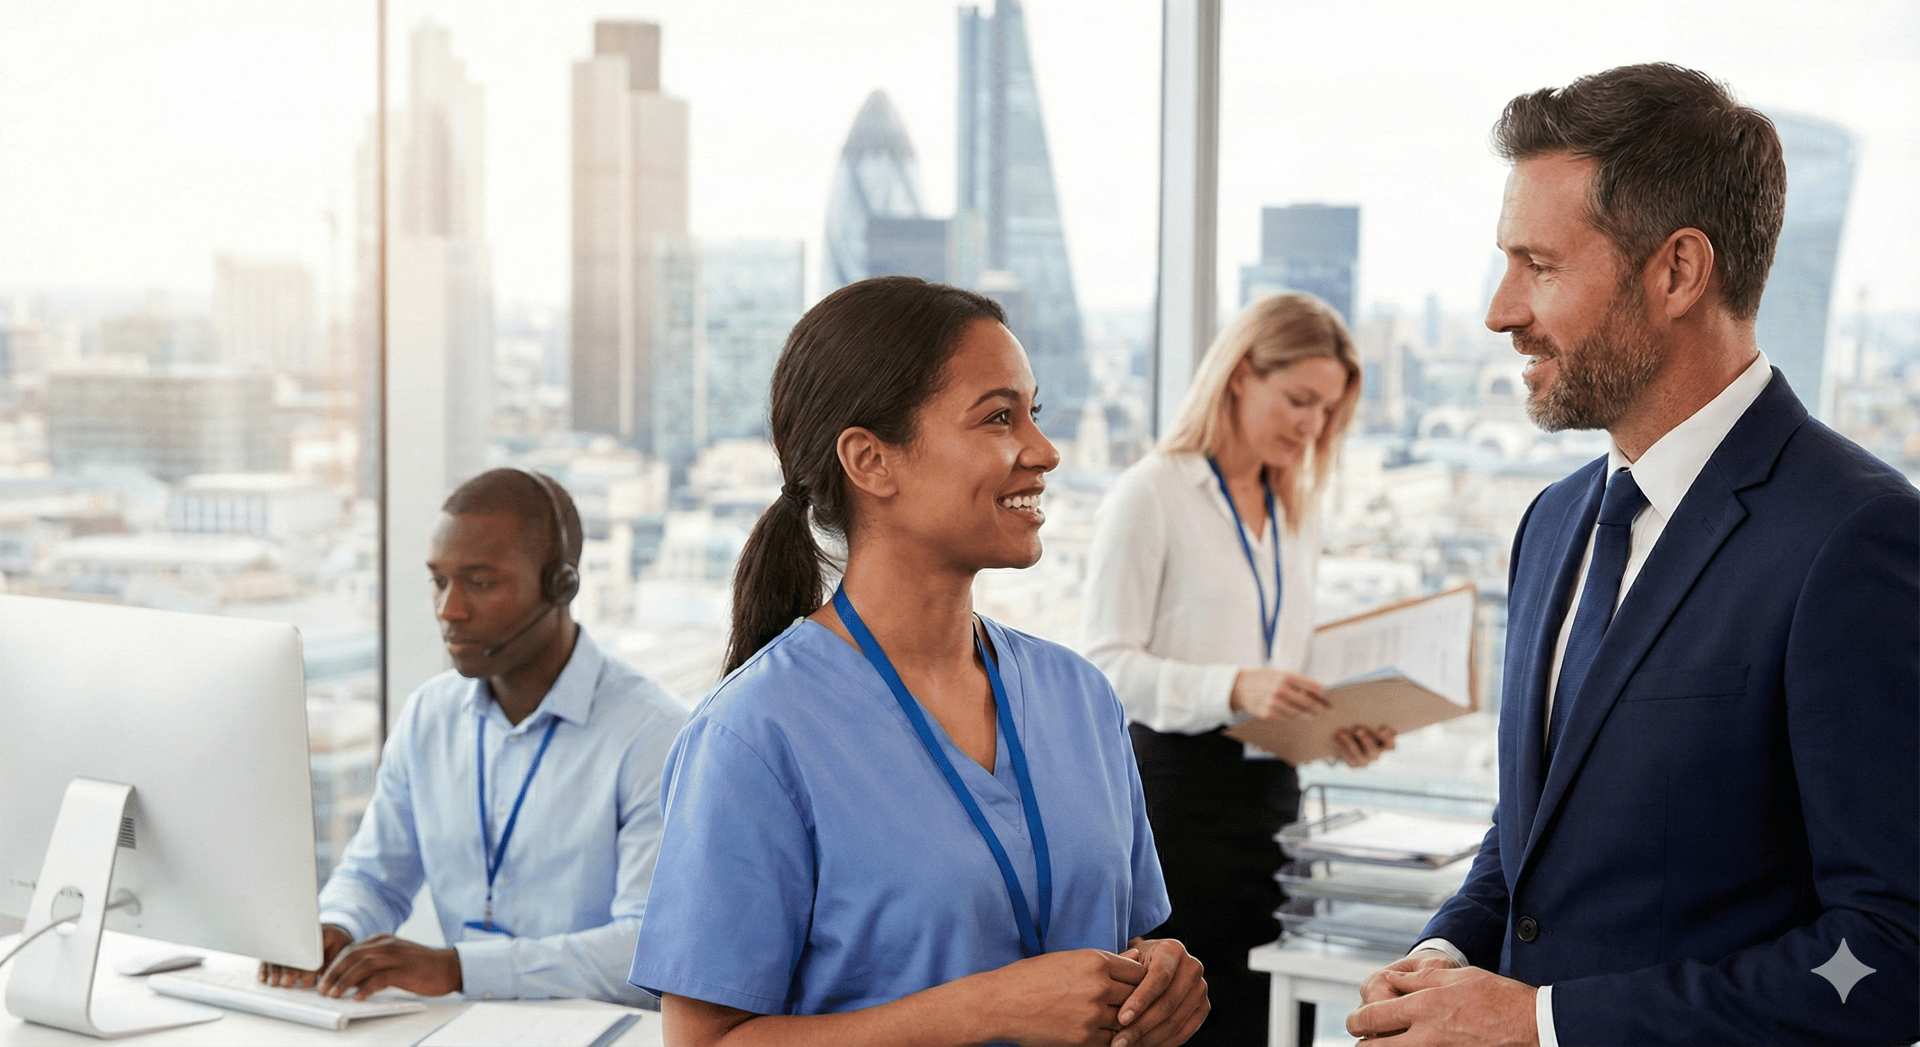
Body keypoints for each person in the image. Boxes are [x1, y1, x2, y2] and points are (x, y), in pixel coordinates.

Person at [1348, 63, 1917, 1046]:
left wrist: (1545, 1022)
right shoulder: (1553, 524)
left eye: (1540, 264)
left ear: (1678, 272)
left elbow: (1889, 956)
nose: (1498, 309)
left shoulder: (1853, 540)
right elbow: (1538, 836)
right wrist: (1446, 958)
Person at [627, 276, 1207, 1047]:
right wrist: (986, 1010)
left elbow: (1113, 948)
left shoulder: (1081, 697)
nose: (1044, 450)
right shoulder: (753, 736)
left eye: (1035, 413)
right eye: (1000, 417)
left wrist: (1158, 975)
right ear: (871, 460)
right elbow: (704, 1042)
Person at [1081, 291, 1395, 1046]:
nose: (1311, 425)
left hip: (1275, 806)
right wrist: (1230, 685)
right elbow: (1104, 667)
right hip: (1178, 808)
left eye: (1326, 409)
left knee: (1269, 1022)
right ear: (1240, 375)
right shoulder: (1151, 494)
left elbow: (1289, 664)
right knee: (1188, 1025)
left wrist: (1334, 726)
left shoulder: (1295, 511)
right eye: (1297, 399)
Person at [260, 468, 688, 1005]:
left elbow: (645, 953)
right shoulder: (429, 717)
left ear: (561, 584)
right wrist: (337, 927)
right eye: (439, 581)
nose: (449, 610)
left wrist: (460, 969)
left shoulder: (653, 735)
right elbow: (373, 877)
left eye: (481, 583)